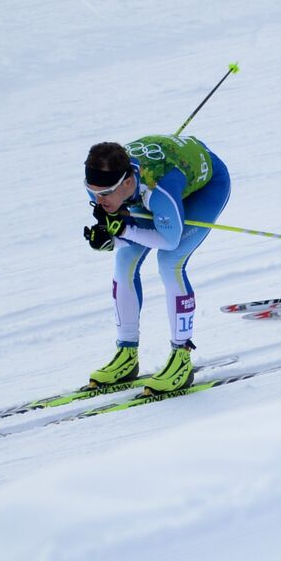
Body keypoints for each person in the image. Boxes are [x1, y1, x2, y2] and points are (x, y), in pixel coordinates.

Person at [83, 135, 230, 391]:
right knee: (124, 262)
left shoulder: (159, 189)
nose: (98, 200)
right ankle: (126, 353)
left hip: (204, 188)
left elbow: (169, 240)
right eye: (92, 192)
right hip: (150, 192)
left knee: (170, 262)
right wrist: (109, 239)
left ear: (126, 182)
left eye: (104, 194)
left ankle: (181, 358)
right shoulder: (104, 183)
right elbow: (119, 226)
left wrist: (124, 231)